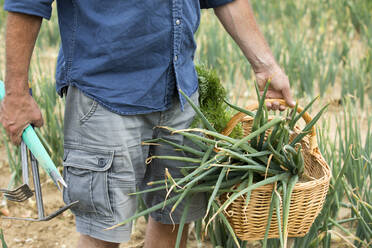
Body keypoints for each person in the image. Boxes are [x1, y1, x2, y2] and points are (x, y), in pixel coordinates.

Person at [1, 0, 295, 247]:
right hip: (105, 94)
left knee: (175, 220)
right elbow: (26, 3)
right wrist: (16, 94)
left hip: (180, 94)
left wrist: (266, 66)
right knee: (102, 231)